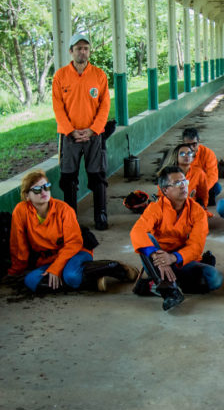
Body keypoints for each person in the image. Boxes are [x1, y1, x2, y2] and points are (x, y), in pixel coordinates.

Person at [8, 170, 136, 293]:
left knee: (71, 276)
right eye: (37, 189)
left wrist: (56, 268)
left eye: (46, 186)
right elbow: (18, 245)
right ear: (27, 195)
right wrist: (16, 270)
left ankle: (115, 267)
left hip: (76, 252)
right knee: (31, 280)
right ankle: (91, 281)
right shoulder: (21, 211)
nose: (43, 191)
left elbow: (74, 243)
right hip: (49, 258)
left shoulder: (64, 209)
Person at [131, 165, 223, 311]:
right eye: (177, 183)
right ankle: (170, 292)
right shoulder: (155, 208)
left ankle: (154, 285)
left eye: (184, 181)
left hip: (181, 260)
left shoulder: (197, 211)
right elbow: (136, 231)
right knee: (146, 237)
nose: (183, 186)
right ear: (165, 190)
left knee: (215, 278)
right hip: (157, 263)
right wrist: (158, 257)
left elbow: (196, 246)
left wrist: (173, 258)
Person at [53, 33, 112, 230]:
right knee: (68, 178)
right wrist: (70, 131)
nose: (82, 52)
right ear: (71, 51)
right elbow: (58, 107)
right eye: (78, 48)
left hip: (94, 135)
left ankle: (101, 215)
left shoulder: (99, 75)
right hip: (69, 136)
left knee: (98, 175)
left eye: (86, 48)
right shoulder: (60, 76)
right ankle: (70, 219)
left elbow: (105, 105)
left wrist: (93, 130)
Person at [181, 127, 221, 205]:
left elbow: (212, 176)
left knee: (217, 187)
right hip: (186, 185)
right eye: (188, 145)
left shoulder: (208, 154)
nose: (191, 148)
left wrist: (202, 190)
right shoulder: (178, 155)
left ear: (199, 141)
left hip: (202, 185)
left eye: (194, 144)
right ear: (183, 143)